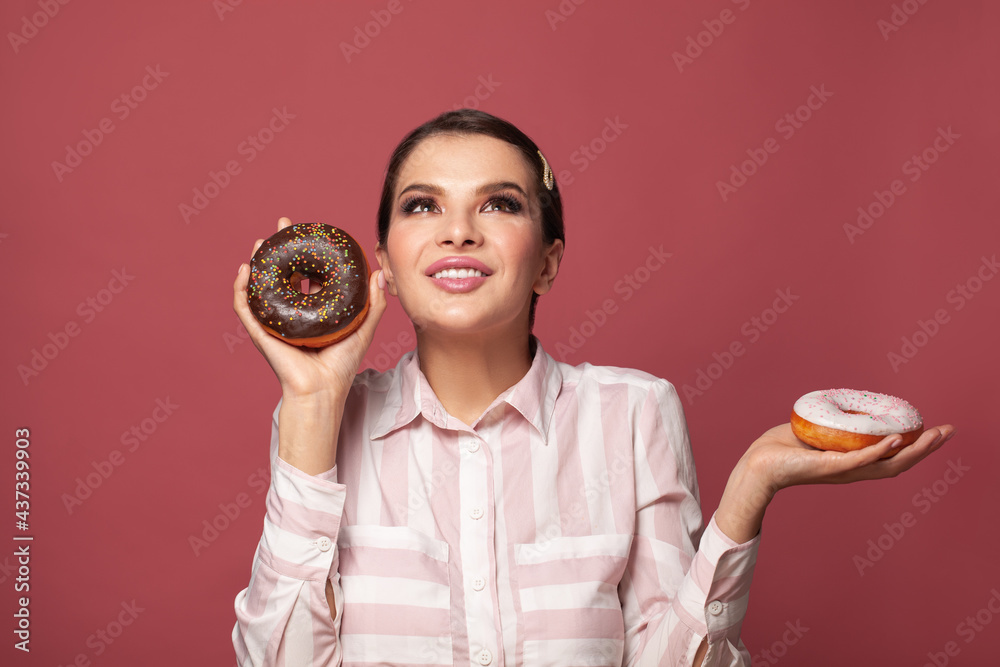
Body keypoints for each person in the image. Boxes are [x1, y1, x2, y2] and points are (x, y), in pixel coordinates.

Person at [231, 109, 954, 666]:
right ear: (384, 262)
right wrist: (312, 401)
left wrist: (749, 492)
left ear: (547, 263)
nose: (458, 231)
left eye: (499, 204)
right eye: (423, 205)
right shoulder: (323, 422)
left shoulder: (633, 414)